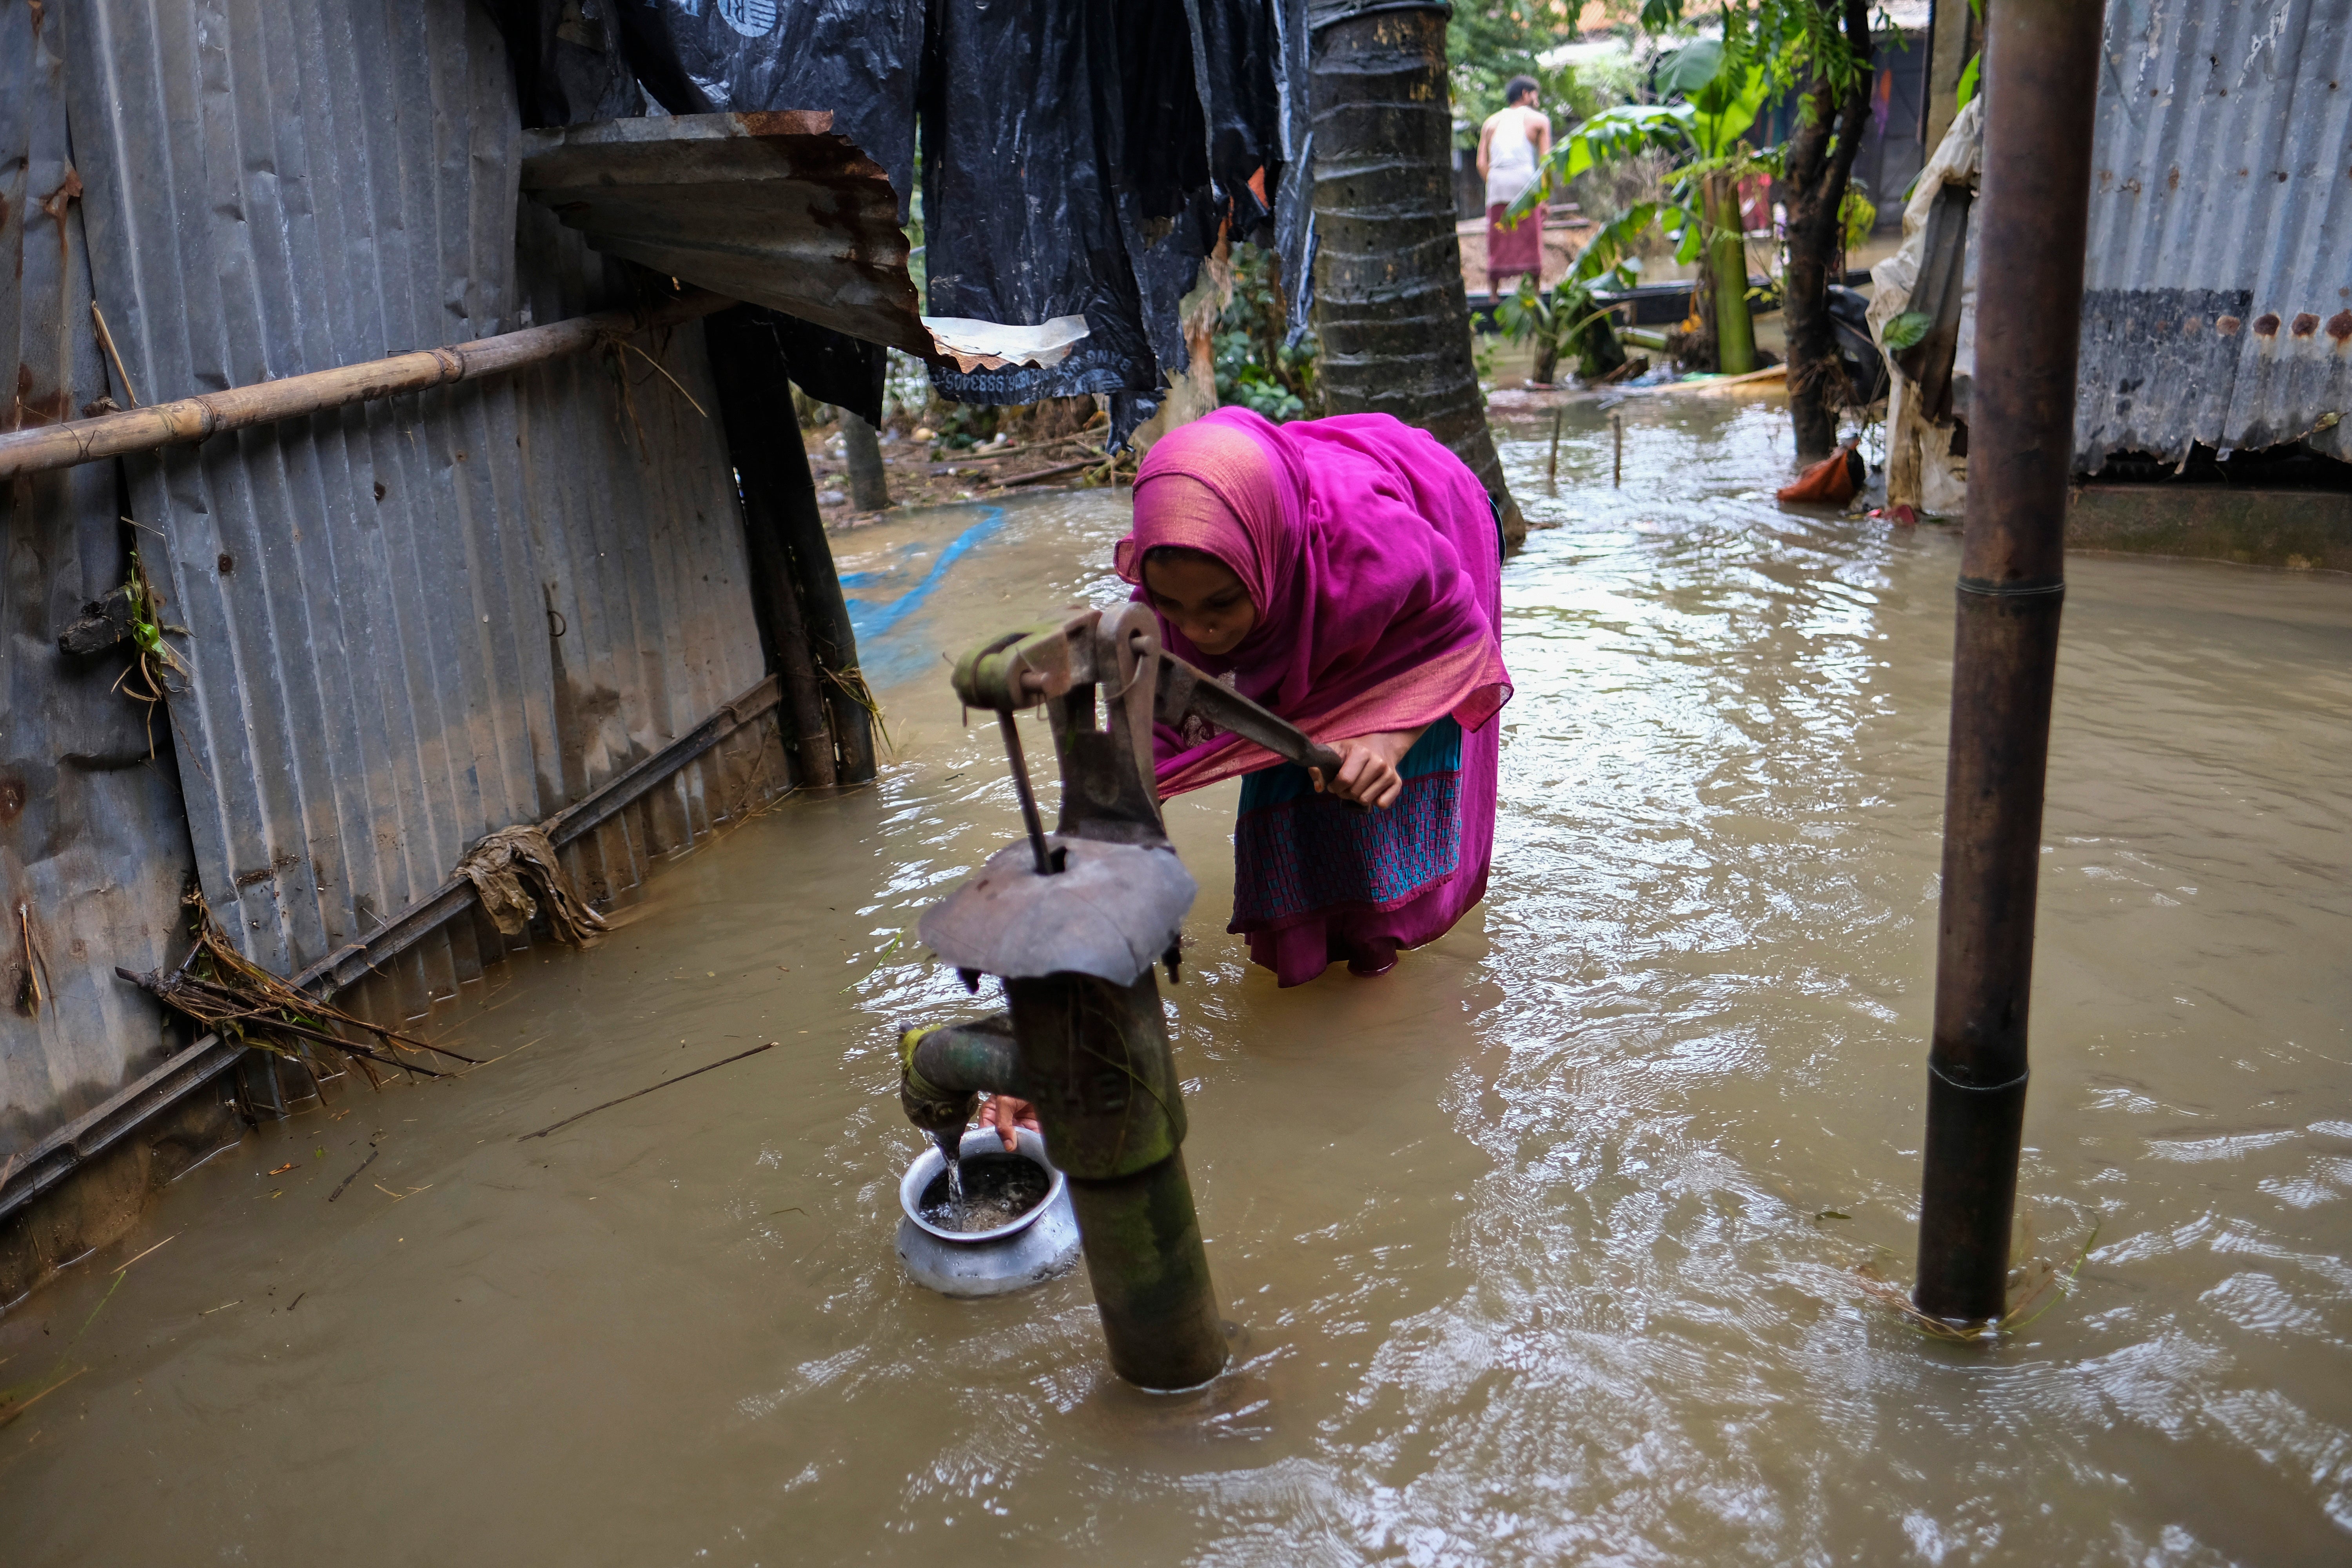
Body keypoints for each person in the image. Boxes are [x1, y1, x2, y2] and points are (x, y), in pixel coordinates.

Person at [979, 407, 1510, 1146]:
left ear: (1264, 564)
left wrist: (1388, 741)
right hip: (1287, 581)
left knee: (1376, 834)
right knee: (1296, 784)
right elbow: (1116, 821)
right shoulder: (1164, 615)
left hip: (1411, 586)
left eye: (1221, 606)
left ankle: (1381, 983)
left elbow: (1457, 642)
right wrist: (1048, 1036)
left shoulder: (1377, 545)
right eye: (1173, 607)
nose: (1199, 632)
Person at [1478, 76, 1553, 299]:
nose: (1537, 100)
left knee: (1498, 238)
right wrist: (1544, 198)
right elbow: (1546, 161)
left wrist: (1495, 181)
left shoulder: (1491, 122)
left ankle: (1494, 295)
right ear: (1525, 94)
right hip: (1525, 183)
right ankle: (1536, 293)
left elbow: (1481, 163)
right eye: (1535, 95)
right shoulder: (1539, 120)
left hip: (1497, 184)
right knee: (1530, 238)